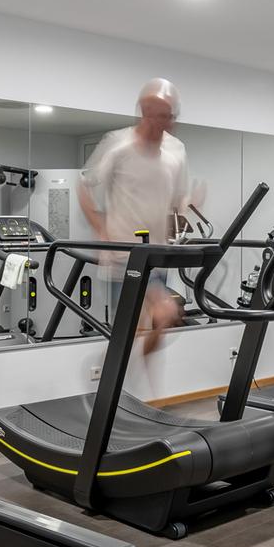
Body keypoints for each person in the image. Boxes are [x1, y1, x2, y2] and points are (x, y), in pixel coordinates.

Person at [78, 79, 192, 372]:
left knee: (154, 325)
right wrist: (101, 230)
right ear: (145, 112)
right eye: (163, 115)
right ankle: (124, 382)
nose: (169, 122)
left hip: (157, 257)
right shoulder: (119, 144)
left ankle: (130, 384)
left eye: (172, 115)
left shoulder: (176, 150)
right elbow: (84, 186)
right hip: (123, 259)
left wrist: (183, 214)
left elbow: (177, 201)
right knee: (153, 319)